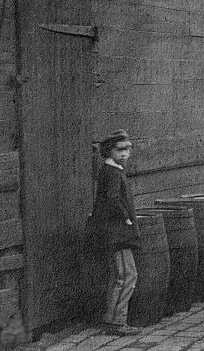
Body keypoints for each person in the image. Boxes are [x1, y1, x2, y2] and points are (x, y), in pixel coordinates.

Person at [89, 129, 140, 336]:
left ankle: (111, 319)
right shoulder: (111, 173)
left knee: (119, 275)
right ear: (109, 151)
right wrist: (126, 217)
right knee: (128, 275)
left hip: (115, 233)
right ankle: (117, 322)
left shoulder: (112, 170)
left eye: (128, 149)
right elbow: (112, 198)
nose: (125, 154)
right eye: (120, 150)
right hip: (117, 234)